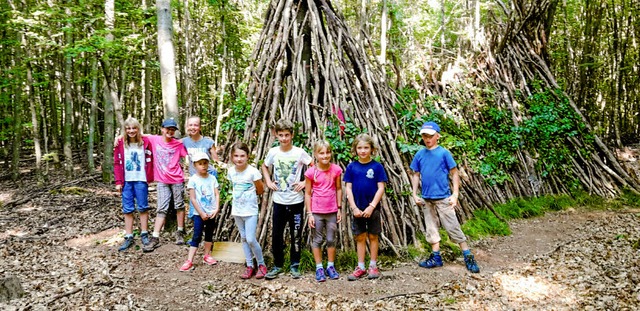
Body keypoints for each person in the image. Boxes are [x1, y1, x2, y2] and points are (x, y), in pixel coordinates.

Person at [410, 121, 480, 273]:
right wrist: (414, 194)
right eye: (424, 136)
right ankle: (436, 257)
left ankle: (467, 255)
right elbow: (415, 174)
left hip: (443, 197)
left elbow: (454, 173)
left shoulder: (444, 153)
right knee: (431, 228)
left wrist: (455, 194)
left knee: (452, 226)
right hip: (427, 198)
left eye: (430, 136)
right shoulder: (420, 154)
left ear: (437, 136)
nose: (427, 139)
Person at [261, 119, 312, 279]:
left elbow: (313, 165)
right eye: (281, 135)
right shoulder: (273, 152)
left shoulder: (299, 152)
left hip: (296, 201)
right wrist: (268, 181)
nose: (284, 138)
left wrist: (305, 182)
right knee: (277, 234)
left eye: (287, 135)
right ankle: (277, 265)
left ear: (292, 135)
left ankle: (295, 265)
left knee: (296, 234)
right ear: (276, 135)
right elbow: (264, 165)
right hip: (279, 201)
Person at [344, 134, 388, 281]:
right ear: (355, 149)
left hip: (372, 208)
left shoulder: (377, 167)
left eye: (366, 148)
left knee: (373, 236)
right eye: (360, 148)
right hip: (357, 208)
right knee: (360, 236)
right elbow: (348, 188)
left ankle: (373, 265)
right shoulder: (351, 167)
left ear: (372, 149)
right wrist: (354, 208)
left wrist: (372, 206)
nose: (363, 151)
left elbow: (381, 188)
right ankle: (361, 266)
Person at [142, 118, 189, 252]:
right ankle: (155, 237)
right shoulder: (154, 139)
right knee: (161, 208)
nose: (170, 131)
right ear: (162, 129)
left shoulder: (178, 144)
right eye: (167, 129)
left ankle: (180, 232)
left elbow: (188, 156)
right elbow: (138, 134)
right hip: (162, 180)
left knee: (179, 205)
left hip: (177, 179)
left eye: (173, 129)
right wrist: (120, 137)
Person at [227, 142, 268, 279]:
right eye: (236, 156)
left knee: (250, 239)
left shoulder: (253, 172)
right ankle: (250, 265)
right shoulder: (231, 171)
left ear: (248, 156)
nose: (239, 159)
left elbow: (260, 189)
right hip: (237, 210)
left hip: (250, 210)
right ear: (232, 157)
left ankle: (261, 264)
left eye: (242, 156)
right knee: (244, 238)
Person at [113, 117, 154, 251]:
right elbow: (117, 164)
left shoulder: (145, 141)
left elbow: (158, 136)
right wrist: (118, 182)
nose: (131, 131)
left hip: (141, 179)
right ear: (125, 130)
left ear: (138, 129)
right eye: (128, 128)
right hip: (126, 181)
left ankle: (144, 234)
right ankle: (129, 236)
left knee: (143, 207)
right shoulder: (120, 143)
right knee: (127, 209)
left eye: (134, 128)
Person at [304, 140, 343, 282]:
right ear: (315, 154)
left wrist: (339, 208)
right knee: (317, 239)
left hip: (332, 211)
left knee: (331, 239)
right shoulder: (310, 172)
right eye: (321, 153)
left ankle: (330, 266)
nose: (325, 156)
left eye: (328, 152)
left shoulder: (336, 170)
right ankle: (319, 267)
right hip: (316, 212)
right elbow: (308, 193)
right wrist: (309, 213)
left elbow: (339, 188)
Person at [179, 152, 220, 271]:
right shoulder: (193, 180)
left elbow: (217, 194)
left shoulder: (212, 178)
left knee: (209, 234)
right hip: (199, 213)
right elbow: (193, 198)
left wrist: (216, 209)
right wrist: (201, 212)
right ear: (194, 165)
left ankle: (207, 255)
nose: (203, 166)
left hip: (211, 212)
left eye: (205, 163)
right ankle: (189, 260)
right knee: (196, 235)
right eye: (200, 164)